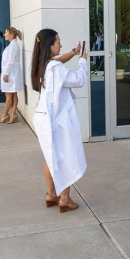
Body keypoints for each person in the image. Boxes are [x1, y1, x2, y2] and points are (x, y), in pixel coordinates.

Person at [31, 29, 88, 212]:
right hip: (58, 120)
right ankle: (65, 199)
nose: (60, 44)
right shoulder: (56, 68)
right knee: (65, 157)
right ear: (50, 45)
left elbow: (58, 62)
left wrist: (73, 52)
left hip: (43, 118)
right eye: (58, 42)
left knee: (50, 156)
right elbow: (79, 80)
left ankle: (51, 195)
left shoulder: (42, 63)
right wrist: (83, 61)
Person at [0, 27, 23, 123]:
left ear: (11, 34)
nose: (4, 35)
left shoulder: (13, 46)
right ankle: (13, 115)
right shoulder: (13, 45)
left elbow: (11, 61)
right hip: (12, 72)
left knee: (9, 96)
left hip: (10, 73)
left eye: (6, 33)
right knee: (13, 95)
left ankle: (5, 115)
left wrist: (6, 74)